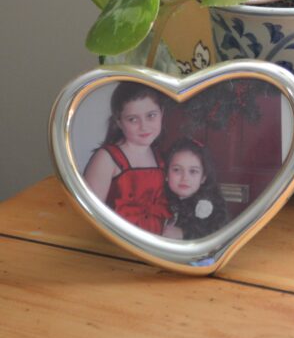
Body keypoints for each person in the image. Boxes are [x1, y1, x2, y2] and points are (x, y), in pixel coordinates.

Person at [83, 82, 170, 234]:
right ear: (119, 122)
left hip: (154, 243)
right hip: (118, 242)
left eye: (151, 116)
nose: (144, 126)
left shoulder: (160, 157)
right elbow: (90, 216)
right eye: (133, 119)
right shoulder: (107, 159)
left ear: (161, 113)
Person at [162, 138, 229, 240]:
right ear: (166, 174)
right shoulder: (159, 199)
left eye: (193, 171)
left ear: (203, 178)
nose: (185, 178)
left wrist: (183, 234)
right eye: (177, 170)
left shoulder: (212, 207)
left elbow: (217, 237)